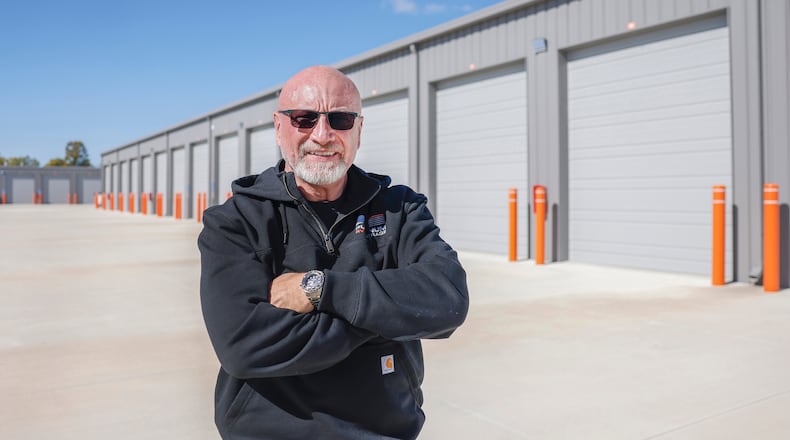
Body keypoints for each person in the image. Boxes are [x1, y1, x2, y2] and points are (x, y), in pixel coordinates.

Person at [198, 65, 469, 440]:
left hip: (384, 431)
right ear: (279, 128)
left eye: (340, 119)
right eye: (304, 119)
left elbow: (447, 300)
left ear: (359, 130)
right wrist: (385, 317)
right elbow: (244, 345)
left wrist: (321, 289)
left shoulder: (399, 209)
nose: (322, 135)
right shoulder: (235, 221)